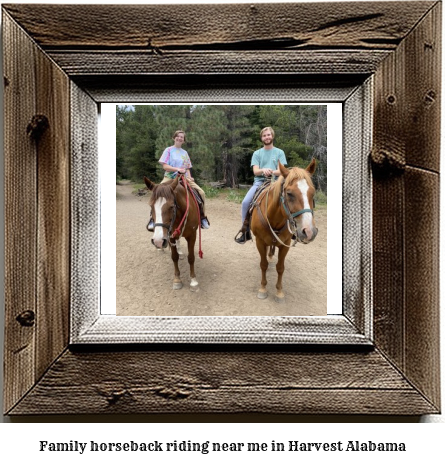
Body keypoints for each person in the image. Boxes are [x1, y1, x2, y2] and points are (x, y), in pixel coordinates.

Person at [147, 130, 210, 230]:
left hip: (183, 178)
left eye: (182, 137)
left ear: (183, 140)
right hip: (169, 177)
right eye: (178, 136)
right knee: (157, 193)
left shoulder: (185, 153)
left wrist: (189, 177)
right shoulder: (168, 150)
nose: (180, 138)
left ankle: (202, 218)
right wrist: (177, 169)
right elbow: (165, 166)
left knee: (201, 193)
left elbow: (187, 167)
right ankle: (152, 219)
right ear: (174, 138)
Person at [235, 127, 287, 244]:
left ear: (272, 136)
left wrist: (272, 171)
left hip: (277, 182)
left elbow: (282, 170)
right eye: (264, 136)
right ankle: (245, 231)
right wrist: (264, 170)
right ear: (261, 138)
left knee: (290, 200)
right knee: (245, 202)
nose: (267, 137)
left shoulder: (280, 152)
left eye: (268, 135)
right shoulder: (257, 153)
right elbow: (255, 171)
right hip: (260, 182)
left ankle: (291, 229)